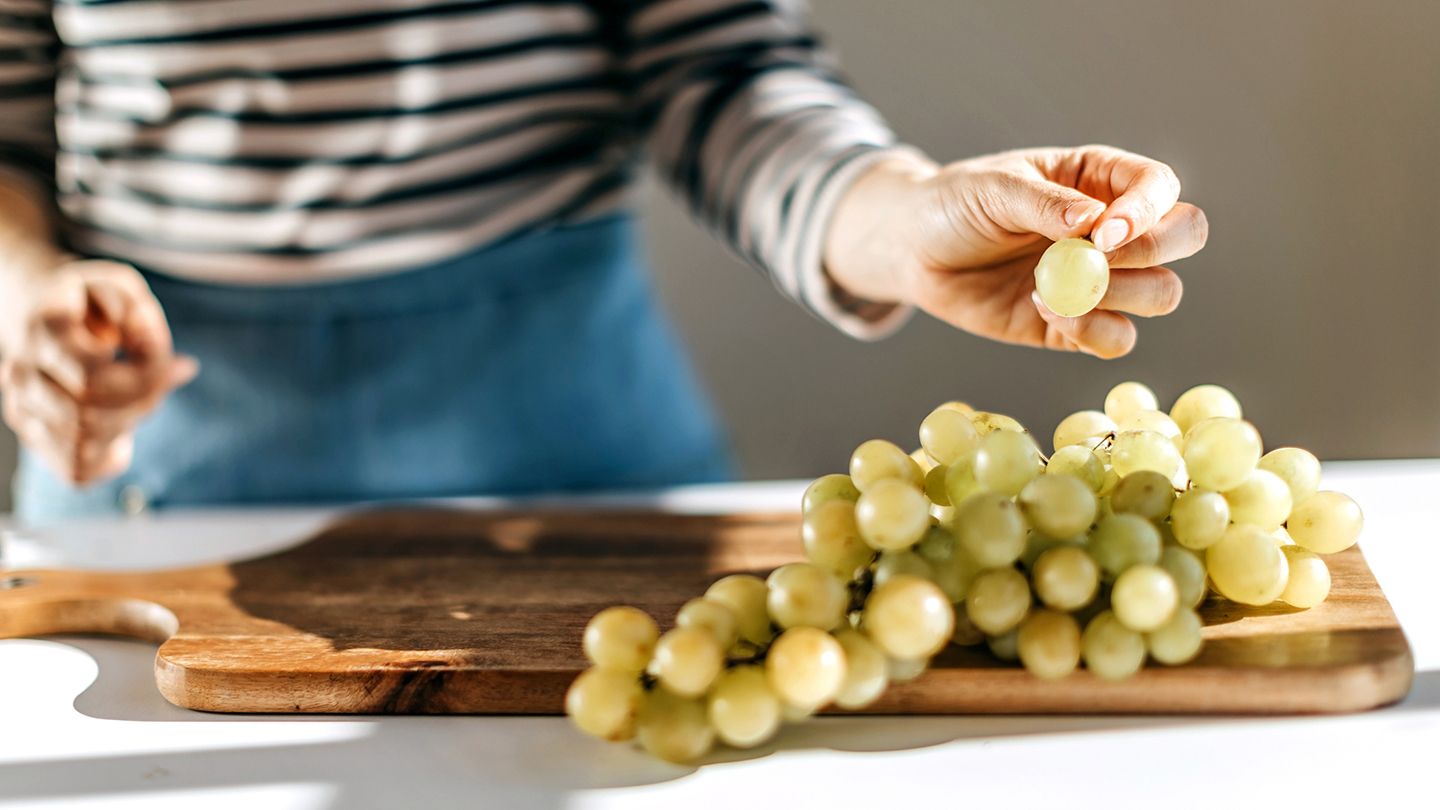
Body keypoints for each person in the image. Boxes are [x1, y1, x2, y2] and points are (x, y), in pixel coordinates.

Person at [0, 1, 1206, 522]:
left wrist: (899, 221)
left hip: (571, 448)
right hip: (165, 468)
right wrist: (26, 302)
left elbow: (720, 71)